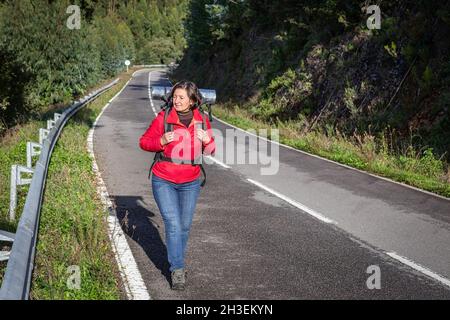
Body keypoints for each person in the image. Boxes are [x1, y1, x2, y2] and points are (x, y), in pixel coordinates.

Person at [139, 80, 215, 290]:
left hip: (190, 182)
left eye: (181, 97)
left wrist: (207, 141)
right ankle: (178, 270)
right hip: (163, 179)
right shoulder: (163, 118)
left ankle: (176, 260)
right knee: (173, 224)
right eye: (174, 97)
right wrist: (161, 141)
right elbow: (144, 142)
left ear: (192, 101)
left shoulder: (202, 121)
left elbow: (211, 152)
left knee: (184, 226)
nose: (176, 100)